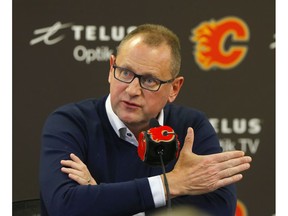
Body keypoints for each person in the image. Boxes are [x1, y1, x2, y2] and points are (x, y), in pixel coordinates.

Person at [39, 24, 252, 216]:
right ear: (111, 68)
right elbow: (64, 206)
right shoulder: (70, 122)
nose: (132, 90)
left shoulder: (191, 127)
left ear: (174, 88)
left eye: (149, 80)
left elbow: (218, 208)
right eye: (125, 72)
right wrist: (171, 185)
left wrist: (100, 201)